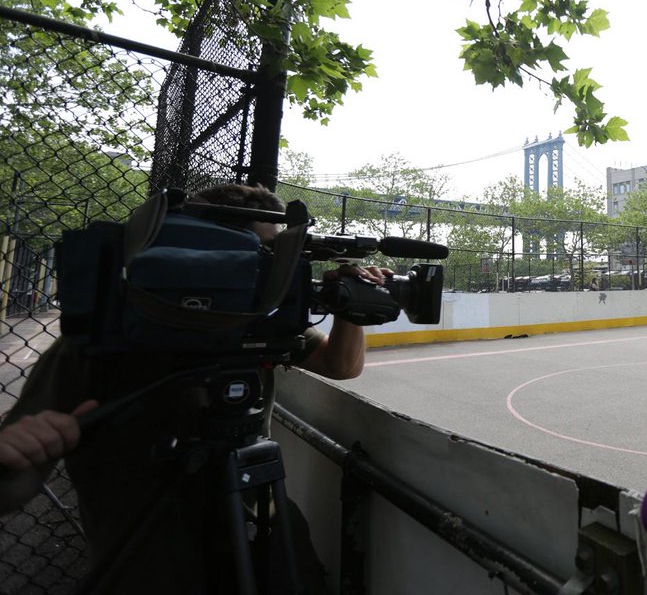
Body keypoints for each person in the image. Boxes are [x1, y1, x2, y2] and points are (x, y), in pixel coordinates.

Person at [0, 183, 388, 593]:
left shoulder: (259, 320)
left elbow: (339, 365)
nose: (264, 268)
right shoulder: (101, 340)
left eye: (270, 256)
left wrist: (353, 305)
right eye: (253, 253)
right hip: (145, 550)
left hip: (257, 523)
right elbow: (15, 485)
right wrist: (14, 455)